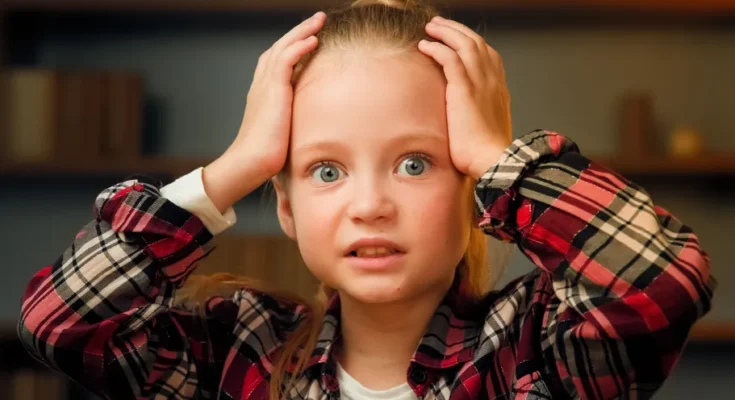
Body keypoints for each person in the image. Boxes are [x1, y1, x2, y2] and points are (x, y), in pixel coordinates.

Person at [17, 1, 716, 399]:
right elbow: (62, 325)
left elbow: (661, 284)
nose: (370, 205)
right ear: (284, 208)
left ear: (477, 192)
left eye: (415, 164)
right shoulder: (233, 352)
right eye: (326, 171)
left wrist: (498, 156)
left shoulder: (539, 352)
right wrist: (238, 166)